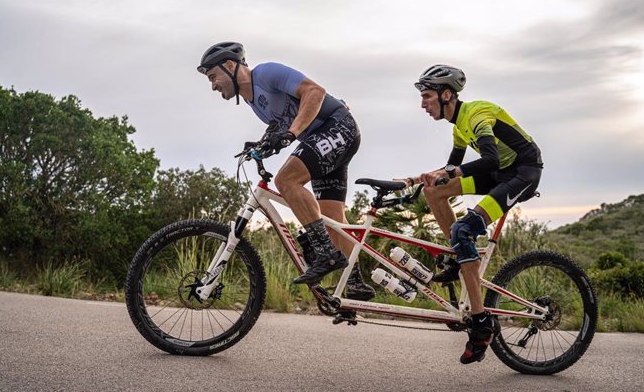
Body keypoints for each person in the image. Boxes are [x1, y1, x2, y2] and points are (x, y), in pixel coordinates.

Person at [197, 42, 375, 300]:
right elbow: (280, 123)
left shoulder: (266, 73)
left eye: (213, 77)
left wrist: (292, 133)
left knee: (286, 179)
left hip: (338, 128)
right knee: (332, 218)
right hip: (325, 138)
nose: (212, 85)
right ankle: (355, 282)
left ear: (230, 65)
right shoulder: (252, 101)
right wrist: (264, 144)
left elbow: (315, 92)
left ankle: (325, 253)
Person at [400, 64, 543, 364]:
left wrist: (450, 172)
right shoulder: (458, 126)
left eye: (426, 96)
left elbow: (489, 158)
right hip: (500, 173)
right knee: (435, 191)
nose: (422, 104)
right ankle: (459, 254)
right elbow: (450, 167)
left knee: (463, 230)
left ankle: (480, 323)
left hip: (523, 173)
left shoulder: (476, 114)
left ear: (447, 94)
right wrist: (415, 180)